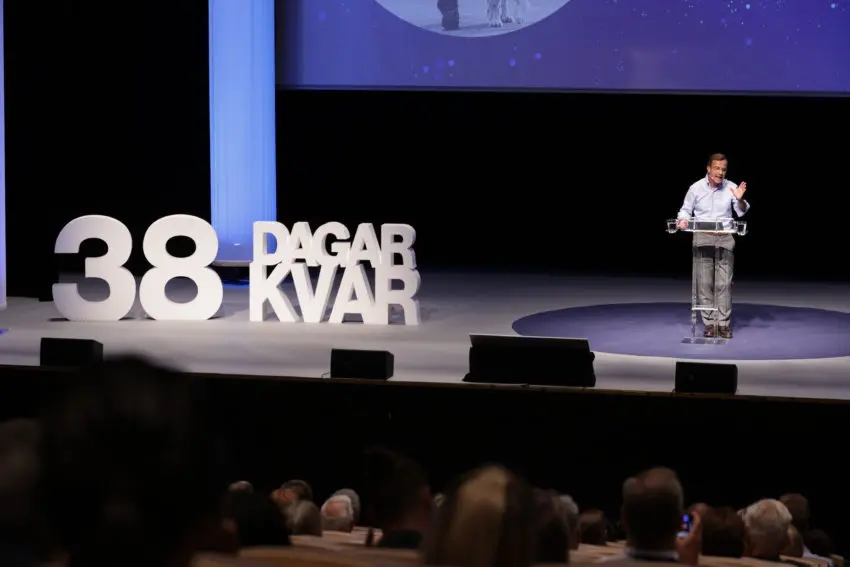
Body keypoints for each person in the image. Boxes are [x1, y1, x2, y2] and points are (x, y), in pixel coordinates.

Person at [676, 153, 750, 339]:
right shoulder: (696, 188)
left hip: (724, 238)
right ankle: (710, 324)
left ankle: (723, 325)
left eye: (723, 169)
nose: (720, 172)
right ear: (708, 168)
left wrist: (740, 199)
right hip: (703, 238)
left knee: (724, 284)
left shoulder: (731, 187)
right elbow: (685, 210)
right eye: (717, 168)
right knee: (705, 284)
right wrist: (683, 221)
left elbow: (741, 211)